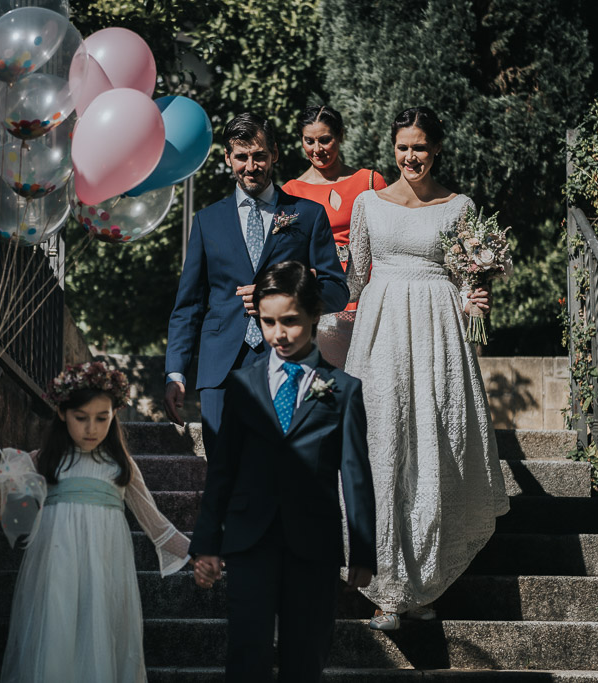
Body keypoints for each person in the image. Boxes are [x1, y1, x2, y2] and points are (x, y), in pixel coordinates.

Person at [342, 107, 510, 631]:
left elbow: (466, 279)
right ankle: (386, 589)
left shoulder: (459, 206)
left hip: (438, 333)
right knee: (382, 445)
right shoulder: (368, 203)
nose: (410, 157)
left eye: (419, 147)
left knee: (434, 443)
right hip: (381, 332)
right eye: (402, 147)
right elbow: (353, 281)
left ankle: (422, 582)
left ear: (436, 149)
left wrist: (478, 296)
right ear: (391, 149)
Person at [190, 260, 377, 683]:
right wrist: (207, 543)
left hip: (314, 545)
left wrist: (363, 551)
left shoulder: (344, 389)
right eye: (270, 322)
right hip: (248, 538)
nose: (280, 334)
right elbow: (222, 469)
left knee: (305, 657)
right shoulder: (242, 384)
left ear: (314, 316)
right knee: (246, 653)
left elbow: (355, 473)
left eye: (291, 321)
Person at [0, 362, 191, 682]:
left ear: (114, 415)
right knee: (56, 630)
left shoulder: (121, 465)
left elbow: (157, 526)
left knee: (101, 632)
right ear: (62, 414)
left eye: (102, 418)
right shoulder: (46, 459)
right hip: (56, 562)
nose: (91, 429)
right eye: (81, 418)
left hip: (107, 567)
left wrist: (202, 550)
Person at [164, 112, 349, 454]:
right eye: (241, 156)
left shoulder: (307, 215)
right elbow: (189, 305)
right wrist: (175, 371)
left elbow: (338, 290)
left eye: (259, 155)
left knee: (284, 471)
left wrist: (286, 297)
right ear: (227, 158)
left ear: (275, 154)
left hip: (289, 360)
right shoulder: (206, 221)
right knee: (224, 475)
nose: (251, 166)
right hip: (221, 370)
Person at [282, 105, 388, 368]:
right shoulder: (291, 191)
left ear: (340, 135)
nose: (317, 149)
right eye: (309, 141)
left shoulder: (370, 182)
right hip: (321, 299)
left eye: (325, 139)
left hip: (369, 296)